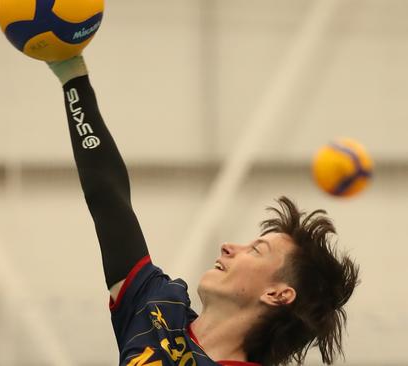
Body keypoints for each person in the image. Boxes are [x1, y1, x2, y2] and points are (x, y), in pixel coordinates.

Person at [47, 55, 360, 366]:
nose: (228, 247)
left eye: (255, 250)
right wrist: (71, 73)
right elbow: (108, 197)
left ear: (278, 294)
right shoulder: (156, 307)